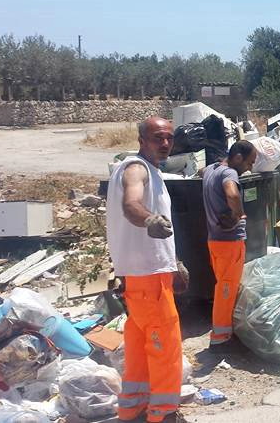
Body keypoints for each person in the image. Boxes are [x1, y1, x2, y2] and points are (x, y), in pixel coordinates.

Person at [106, 117, 183, 422]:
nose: (164, 144)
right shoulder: (135, 169)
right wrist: (148, 219)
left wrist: (173, 263)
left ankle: (132, 407)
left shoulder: (149, 170)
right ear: (142, 140)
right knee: (166, 346)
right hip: (148, 279)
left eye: (169, 138)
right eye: (157, 137)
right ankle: (163, 413)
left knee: (139, 347)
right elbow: (132, 205)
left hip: (142, 276)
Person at [202, 140, 257, 350]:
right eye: (249, 162)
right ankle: (221, 335)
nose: (250, 168)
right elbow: (232, 193)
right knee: (226, 288)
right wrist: (238, 214)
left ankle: (224, 329)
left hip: (214, 240)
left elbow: (201, 172)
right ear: (238, 157)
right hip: (229, 241)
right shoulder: (229, 174)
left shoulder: (210, 170)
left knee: (223, 285)